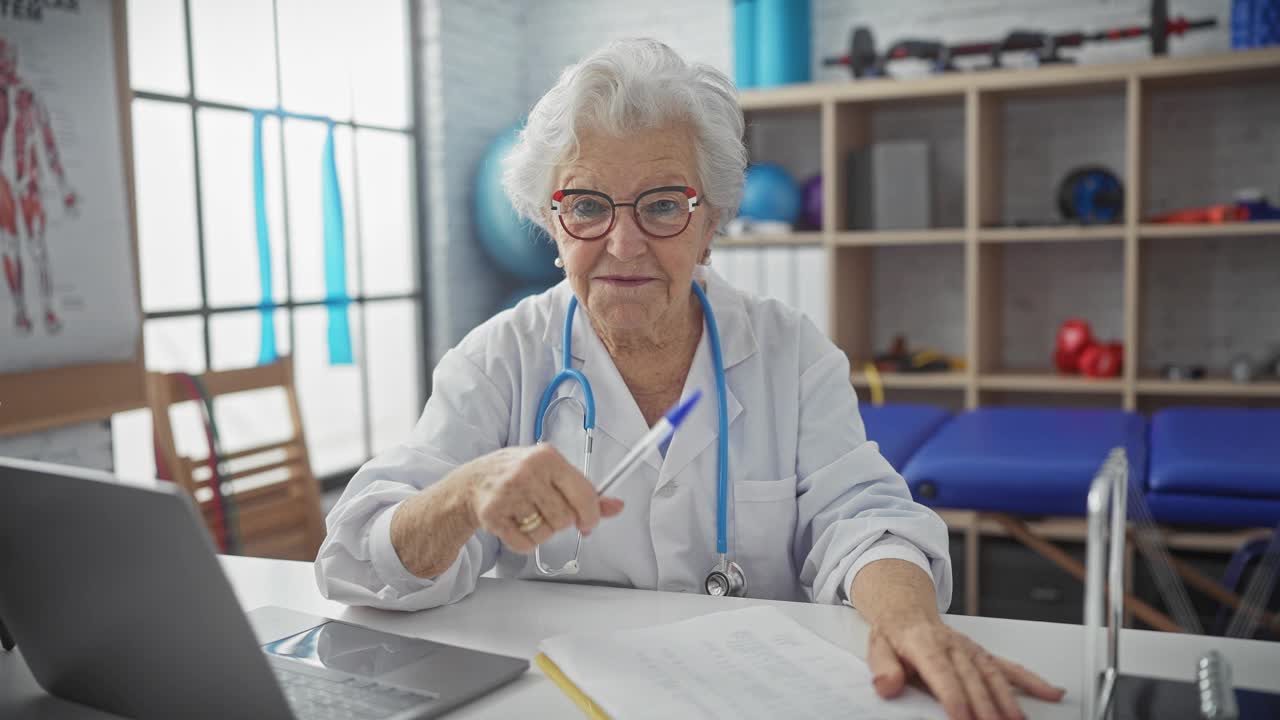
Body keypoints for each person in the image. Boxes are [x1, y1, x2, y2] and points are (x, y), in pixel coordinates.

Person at [317, 38, 1063, 720]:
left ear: (711, 224)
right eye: (586, 206)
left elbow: (862, 516)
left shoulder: (789, 351)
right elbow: (356, 561)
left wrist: (908, 620)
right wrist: (463, 494)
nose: (623, 242)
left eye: (664, 205)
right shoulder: (498, 359)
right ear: (553, 228)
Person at [0, 36, 77, 335]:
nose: (7, 65)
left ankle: (47, 308)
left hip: (28, 181)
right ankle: (20, 310)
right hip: (4, 183)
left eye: (9, 59)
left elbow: (47, 141)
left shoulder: (29, 97)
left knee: (37, 246)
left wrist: (63, 187)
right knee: (10, 246)